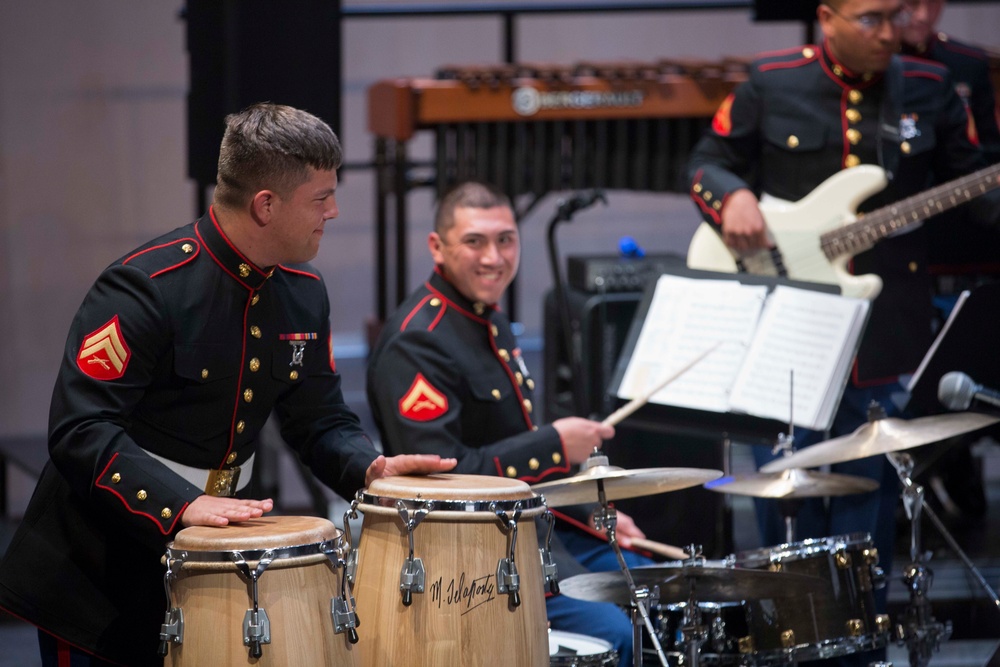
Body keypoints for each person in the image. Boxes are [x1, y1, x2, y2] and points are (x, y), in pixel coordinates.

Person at [0, 103, 455, 667]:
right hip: (97, 572)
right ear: (266, 205)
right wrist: (182, 503)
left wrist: (369, 466)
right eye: (320, 198)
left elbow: (319, 420)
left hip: (208, 564)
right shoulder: (147, 287)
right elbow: (81, 430)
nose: (333, 212)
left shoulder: (302, 292)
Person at [686, 0, 1000, 632]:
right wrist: (734, 197)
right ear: (826, 17)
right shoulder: (773, 80)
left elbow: (977, 195)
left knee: (870, 496)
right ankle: (784, 634)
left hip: (885, 324)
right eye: (870, 19)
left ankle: (860, 640)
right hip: (789, 323)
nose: (889, 32)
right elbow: (704, 164)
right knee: (782, 494)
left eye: (895, 16)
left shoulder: (934, 87)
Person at [366, 181, 654, 665]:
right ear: (437, 247)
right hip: (477, 562)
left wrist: (589, 512)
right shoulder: (417, 342)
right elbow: (445, 481)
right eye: (475, 242)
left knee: (656, 582)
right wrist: (556, 443)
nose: (494, 258)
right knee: (617, 633)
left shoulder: (487, 320)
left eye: (506, 240)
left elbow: (505, 444)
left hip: (536, 533)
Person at [901, 0, 1000, 521]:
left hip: (960, 235)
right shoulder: (879, 68)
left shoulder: (964, 64)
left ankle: (958, 462)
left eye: (929, 3)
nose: (918, 14)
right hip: (895, 253)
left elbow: (984, 157)